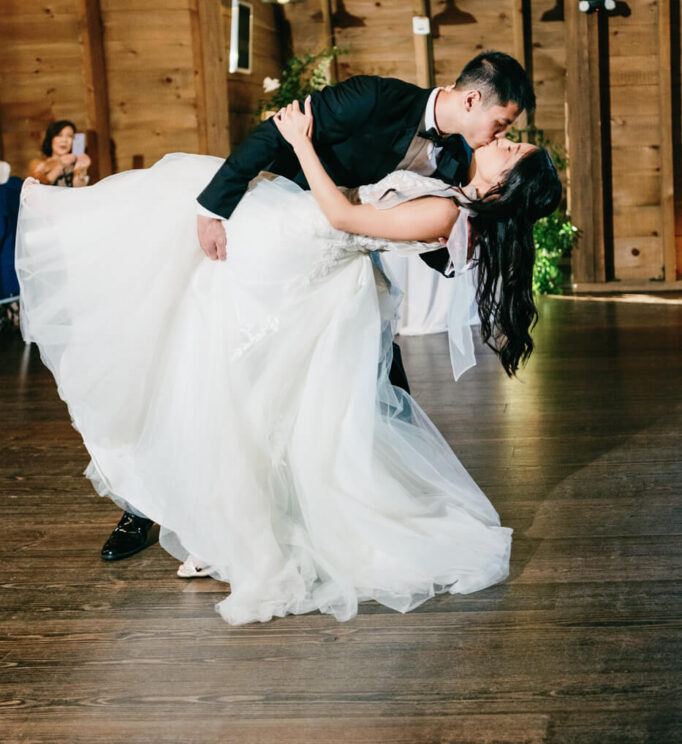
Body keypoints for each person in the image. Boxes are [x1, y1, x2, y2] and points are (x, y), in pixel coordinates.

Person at [16, 96, 561, 628]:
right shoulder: (453, 190)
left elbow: (345, 215)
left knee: (223, 376)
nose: (504, 140)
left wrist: (302, 145)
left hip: (302, 248)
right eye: (510, 134)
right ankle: (191, 512)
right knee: (215, 356)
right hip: (299, 250)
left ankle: (216, 524)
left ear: (501, 186)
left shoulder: (446, 211)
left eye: (512, 151)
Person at [101, 51, 537, 561]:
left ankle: (334, 504)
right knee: (207, 366)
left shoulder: (461, 162)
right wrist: (212, 207)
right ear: (471, 99)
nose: (498, 135)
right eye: (501, 123)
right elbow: (277, 132)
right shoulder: (376, 96)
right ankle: (143, 504)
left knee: (339, 392)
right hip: (277, 232)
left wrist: (464, 245)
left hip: (336, 268)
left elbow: (422, 228)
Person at [28, 120, 90, 188]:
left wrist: (82, 169)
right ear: (51, 139)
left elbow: (79, 188)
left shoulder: (76, 163)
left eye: (70, 136)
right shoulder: (38, 163)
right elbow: (38, 186)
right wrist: (60, 166)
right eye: (59, 135)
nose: (64, 140)